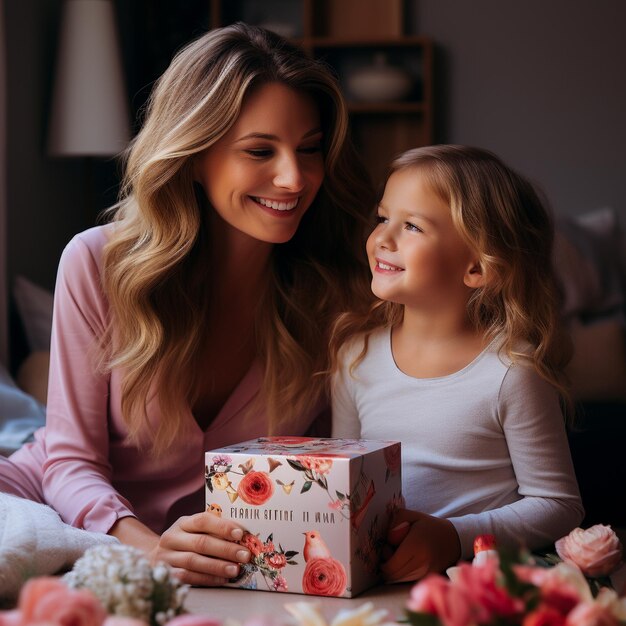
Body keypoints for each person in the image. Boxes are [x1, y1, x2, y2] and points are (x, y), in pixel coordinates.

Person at [0, 23, 375, 586]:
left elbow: (321, 473)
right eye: (259, 150)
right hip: (66, 514)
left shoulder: (331, 295)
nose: (294, 178)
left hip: (219, 560)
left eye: (309, 150)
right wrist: (149, 551)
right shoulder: (97, 264)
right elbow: (70, 463)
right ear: (195, 153)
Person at [330, 145, 584, 583]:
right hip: (379, 583)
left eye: (411, 226)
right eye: (382, 217)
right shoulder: (354, 358)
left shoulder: (511, 372)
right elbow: (341, 485)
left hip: (478, 586)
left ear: (478, 268)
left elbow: (558, 505)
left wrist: (454, 537)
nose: (382, 239)